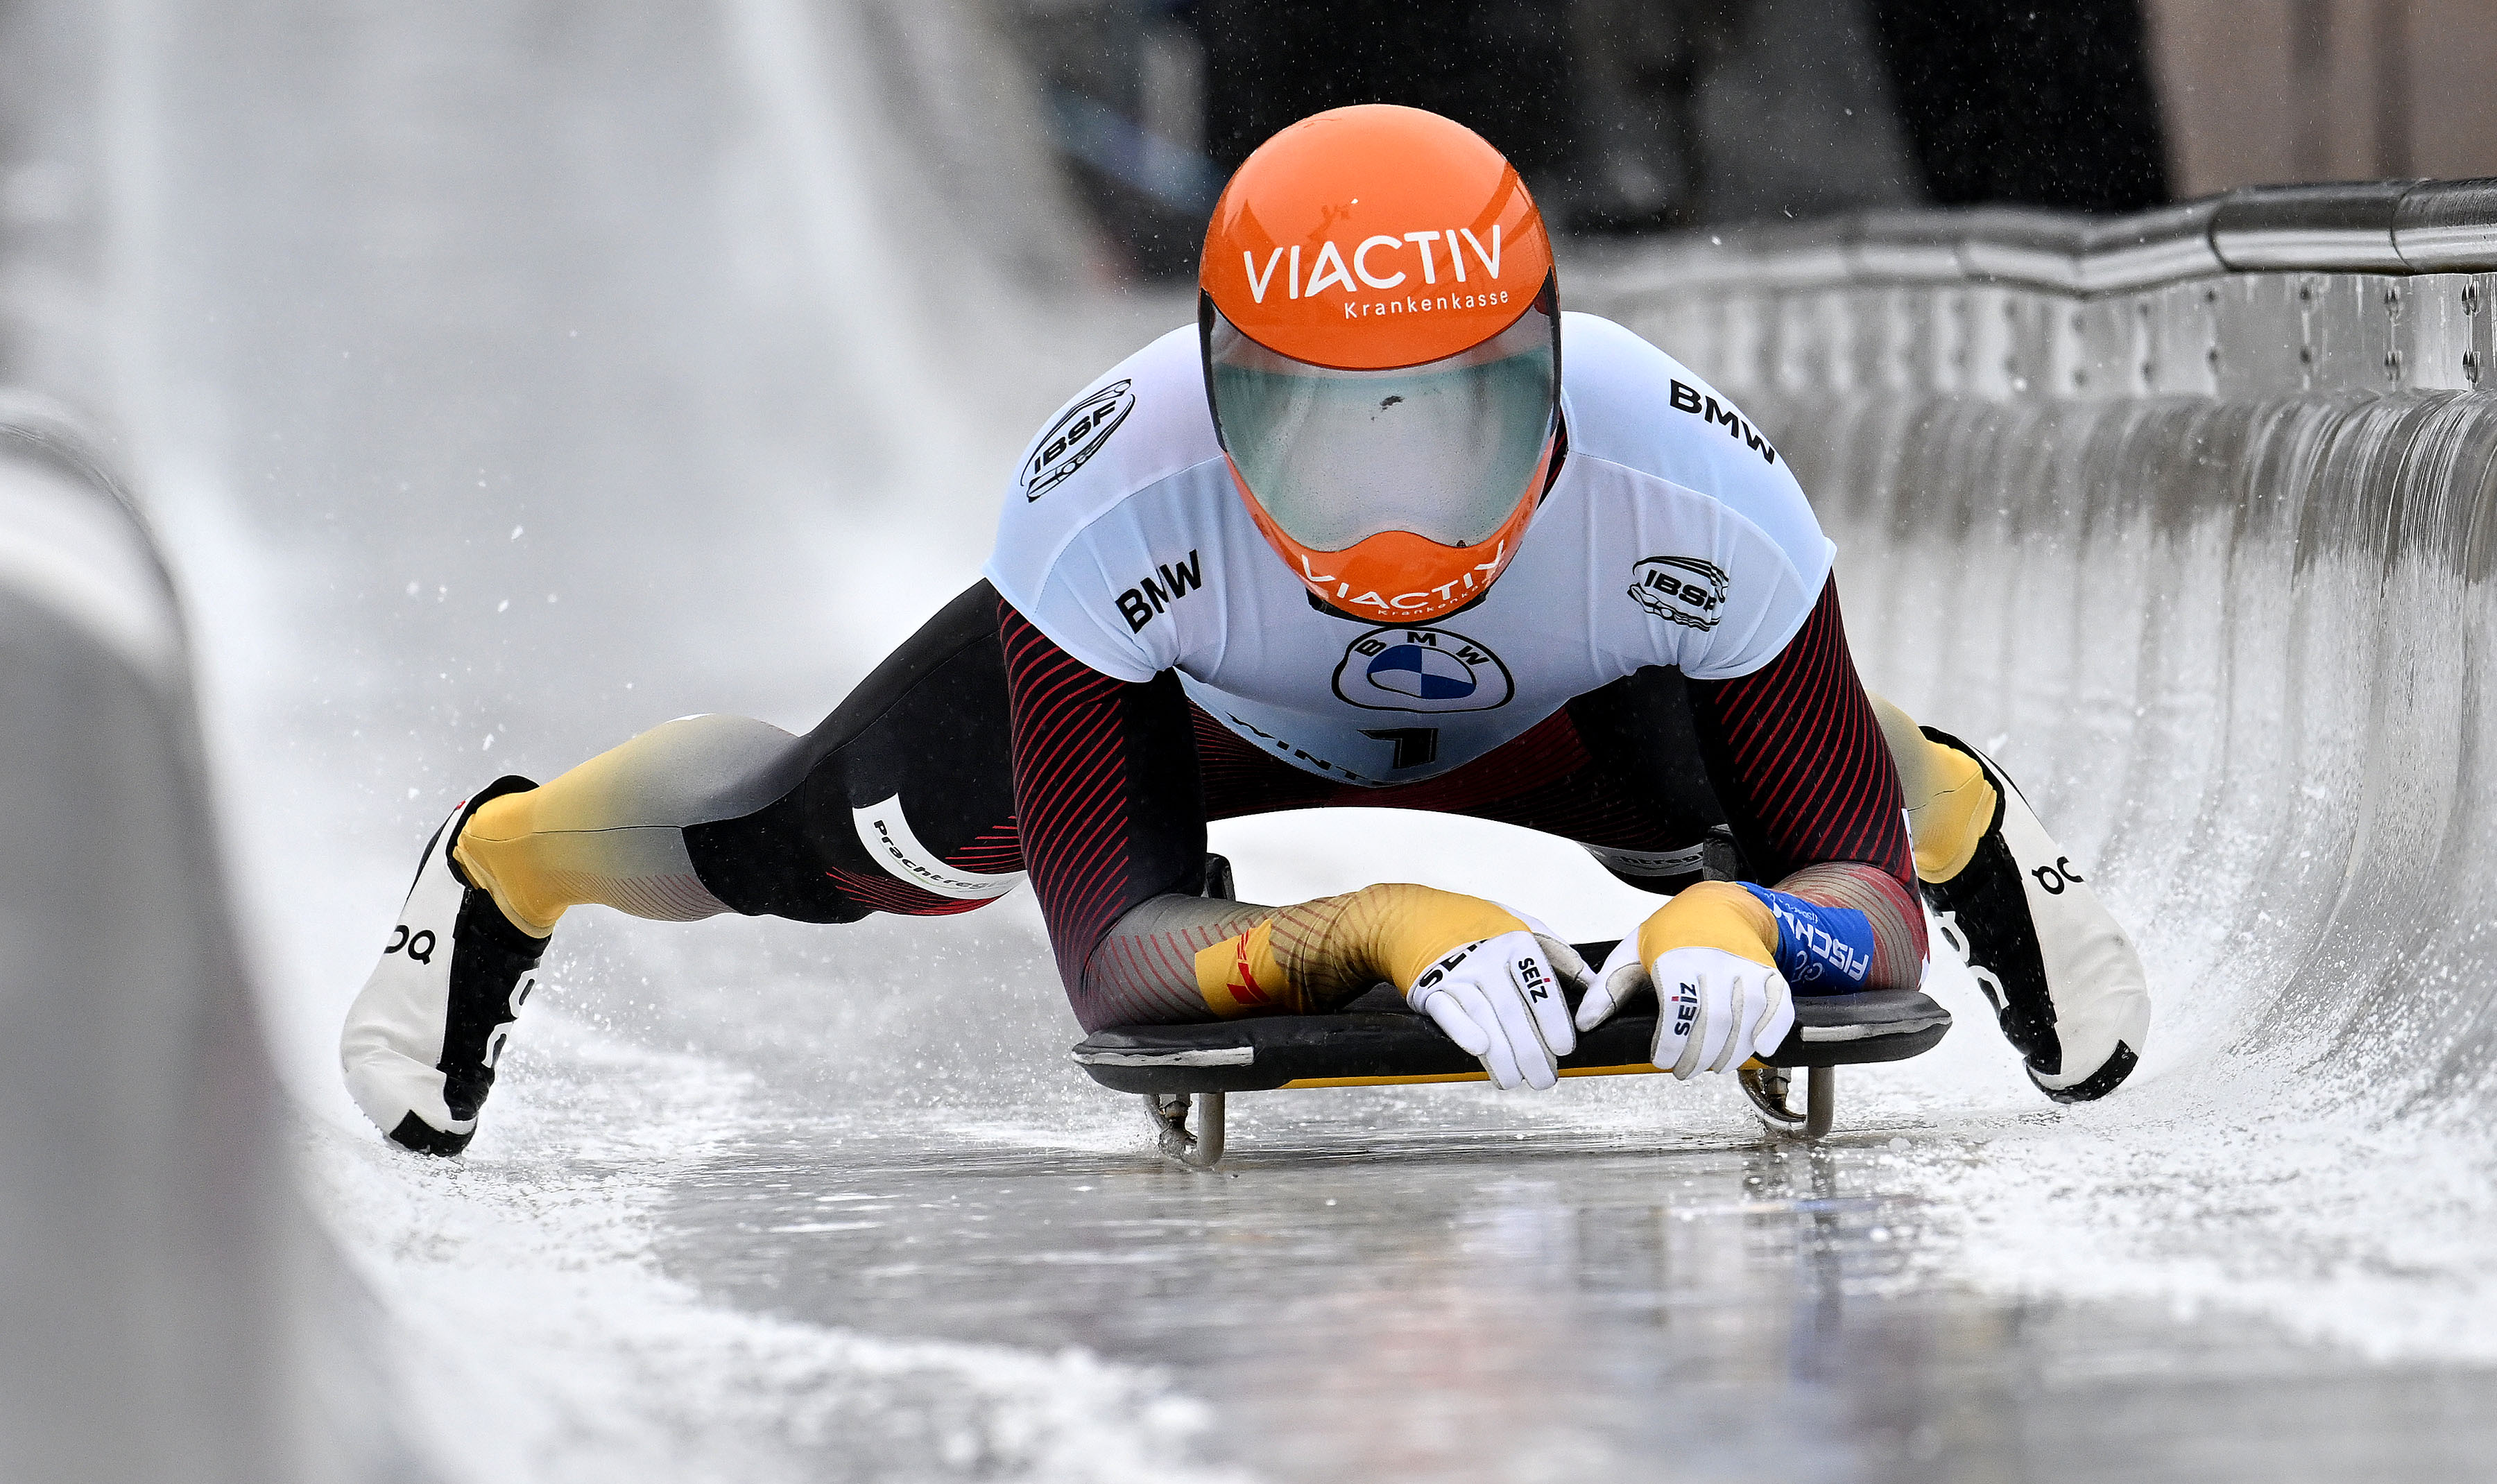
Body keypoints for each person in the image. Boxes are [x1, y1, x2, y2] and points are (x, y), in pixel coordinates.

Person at [341, 105, 2150, 1157]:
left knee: (1785, 790)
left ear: (1551, 376)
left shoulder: (1699, 486)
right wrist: (1377, 929)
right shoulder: (1105, 503)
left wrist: (1758, 917)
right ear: (1215, 394)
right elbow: (1121, 961)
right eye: (1316, 428)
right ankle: (508, 862)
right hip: (1200, 702)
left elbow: (1851, 894)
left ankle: (1975, 818)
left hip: (1568, 706)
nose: (1396, 526)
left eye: (1455, 425)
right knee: (831, 840)